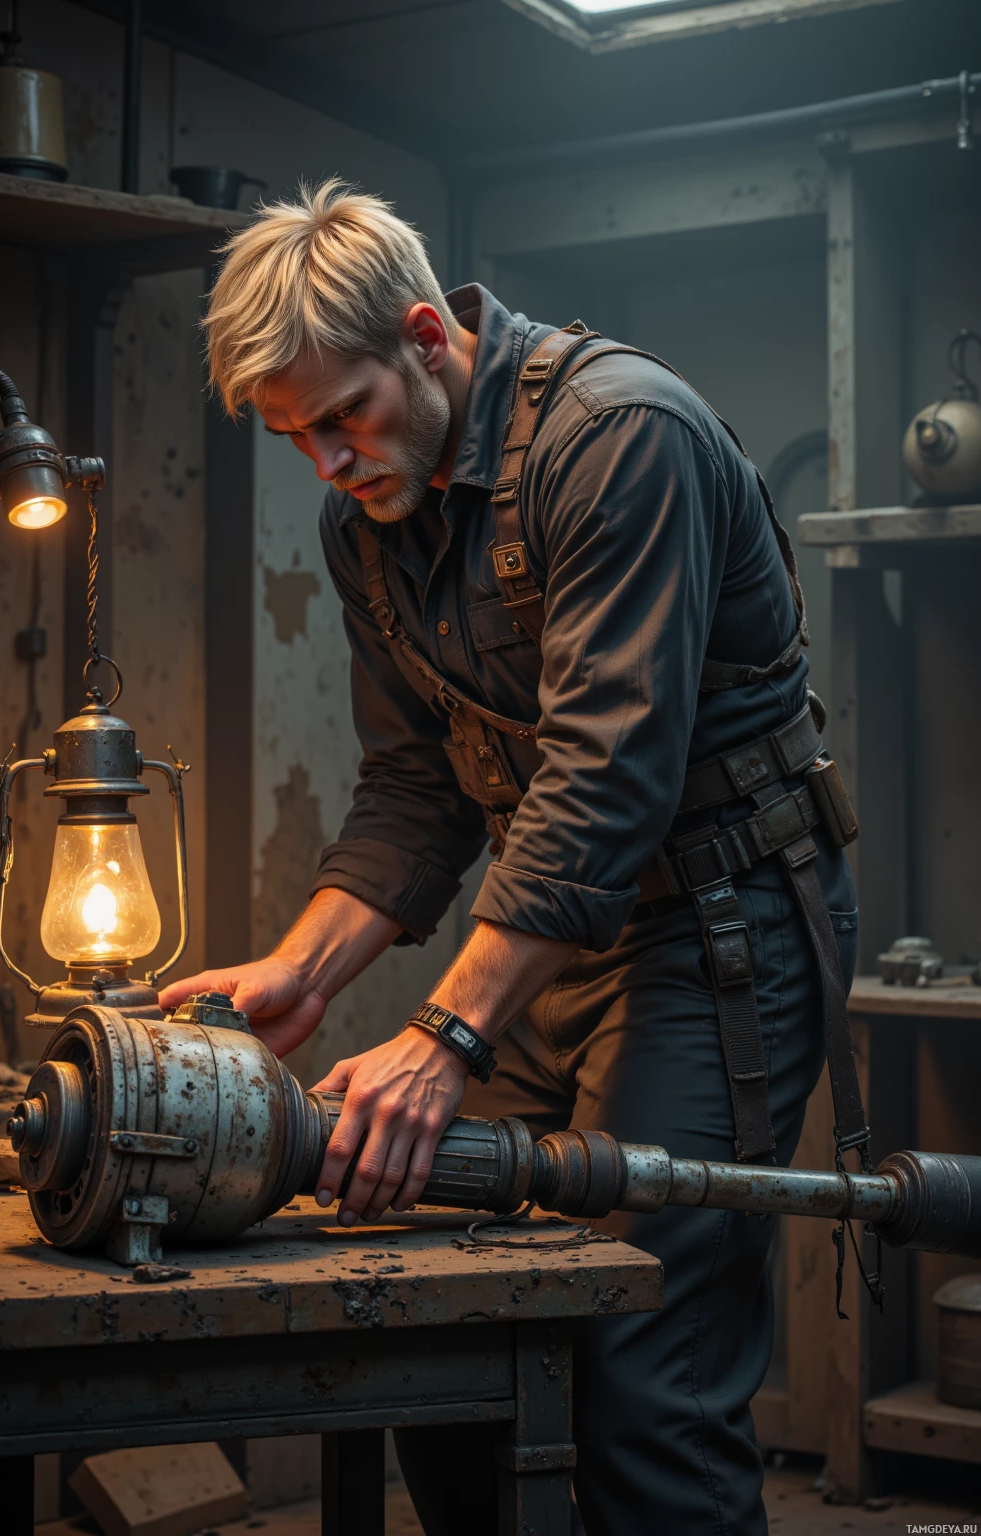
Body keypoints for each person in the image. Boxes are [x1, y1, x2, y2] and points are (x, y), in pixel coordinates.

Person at [162, 179, 859, 1535]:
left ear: (427, 336)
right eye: (293, 436)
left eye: (343, 416)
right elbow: (420, 783)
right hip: (555, 943)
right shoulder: (370, 512)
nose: (328, 463)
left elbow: (608, 778)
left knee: (643, 1373)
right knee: (447, 1313)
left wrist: (442, 1038)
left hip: (719, 932)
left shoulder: (619, 438)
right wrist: (298, 972)